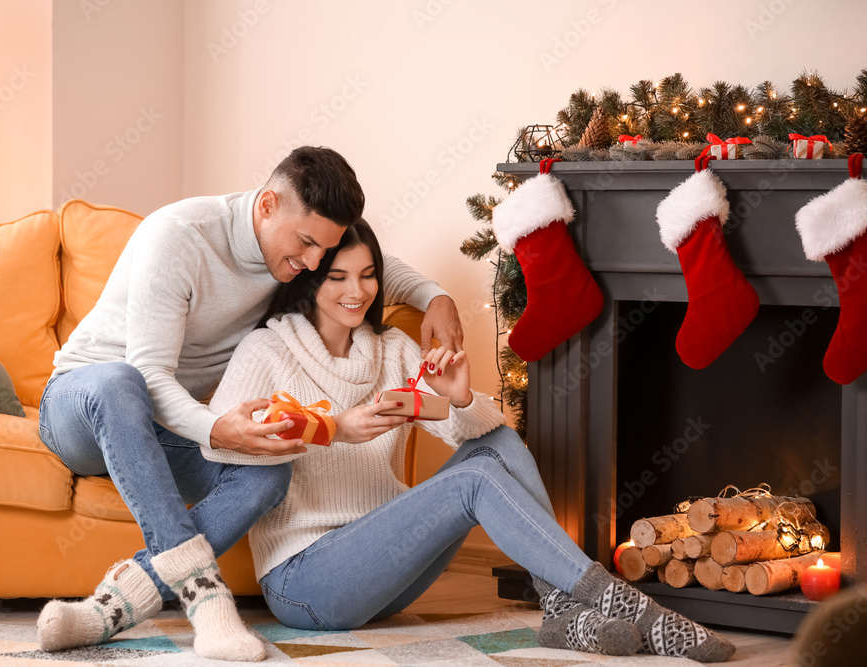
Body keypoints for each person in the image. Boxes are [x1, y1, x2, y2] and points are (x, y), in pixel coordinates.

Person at [202, 219, 737, 663]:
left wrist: (458, 397)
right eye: (339, 276)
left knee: (496, 443)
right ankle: (620, 602)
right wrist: (330, 429)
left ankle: (560, 611)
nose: (356, 291)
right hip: (305, 581)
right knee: (475, 479)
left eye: (367, 275)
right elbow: (218, 443)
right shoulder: (265, 352)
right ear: (311, 278)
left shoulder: (392, 351)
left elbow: (471, 431)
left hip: (387, 567)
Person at [34, 147, 464, 662]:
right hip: (82, 405)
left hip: (166, 428)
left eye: (319, 253)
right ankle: (206, 600)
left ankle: (113, 607)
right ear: (266, 205)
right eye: (306, 244)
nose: (310, 263)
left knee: (267, 474)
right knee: (120, 382)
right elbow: (148, 375)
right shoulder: (179, 236)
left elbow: (367, 269)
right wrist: (216, 428)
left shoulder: (298, 252)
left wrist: (436, 297)